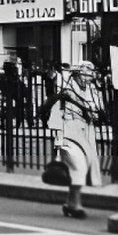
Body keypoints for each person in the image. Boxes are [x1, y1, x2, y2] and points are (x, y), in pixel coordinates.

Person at [40, 62, 104, 219]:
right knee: (78, 166)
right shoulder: (66, 87)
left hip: (85, 131)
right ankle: (75, 206)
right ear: (77, 73)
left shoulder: (93, 90)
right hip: (68, 130)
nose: (88, 78)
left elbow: (99, 110)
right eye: (85, 73)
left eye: (90, 74)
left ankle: (70, 203)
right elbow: (53, 109)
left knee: (80, 167)